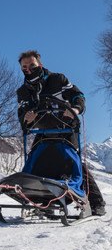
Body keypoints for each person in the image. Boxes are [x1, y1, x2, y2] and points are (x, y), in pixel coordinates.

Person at [16, 49, 106, 216]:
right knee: (36, 161)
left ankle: (96, 202)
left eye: (32, 65)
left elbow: (78, 95)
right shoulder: (23, 92)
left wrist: (75, 109)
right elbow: (22, 115)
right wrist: (26, 118)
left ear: (40, 64)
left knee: (74, 163)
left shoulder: (57, 80)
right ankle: (44, 201)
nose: (28, 69)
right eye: (24, 67)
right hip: (42, 132)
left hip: (65, 129)